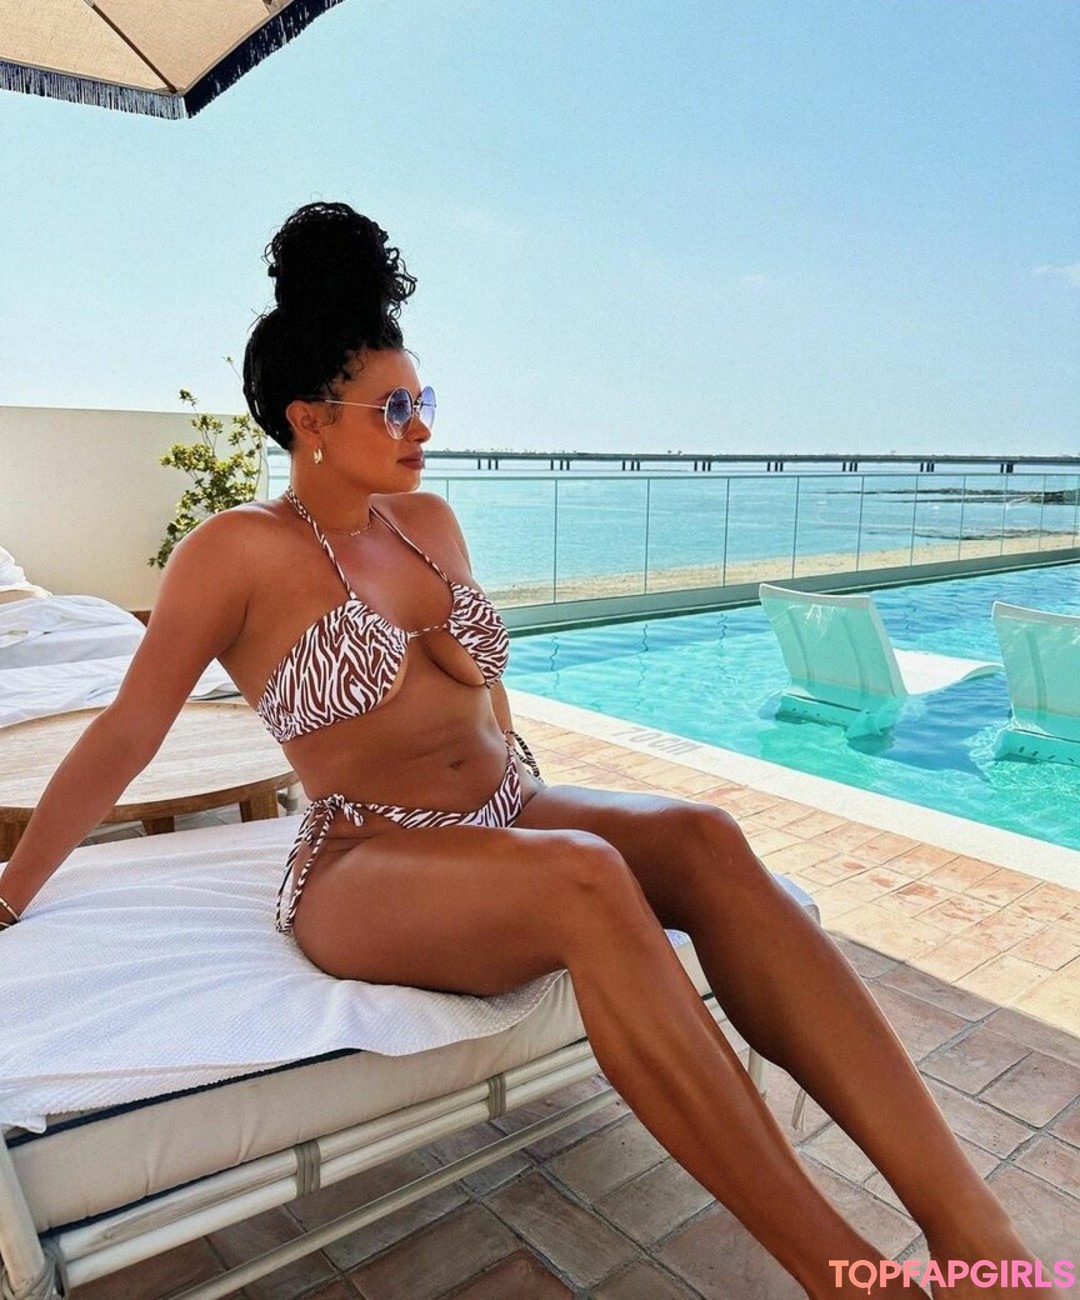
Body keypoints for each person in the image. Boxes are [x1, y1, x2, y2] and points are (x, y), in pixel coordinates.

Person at [0, 203, 1060, 1300]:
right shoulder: (236, 552)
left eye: (425, 401)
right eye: (394, 406)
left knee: (704, 836)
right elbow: (129, 730)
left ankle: (975, 1237)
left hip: (506, 810)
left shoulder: (429, 524)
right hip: (367, 860)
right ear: (310, 419)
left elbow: (485, 698)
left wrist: (517, 768)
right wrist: (14, 888)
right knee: (585, 878)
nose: (421, 426)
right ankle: (846, 1276)